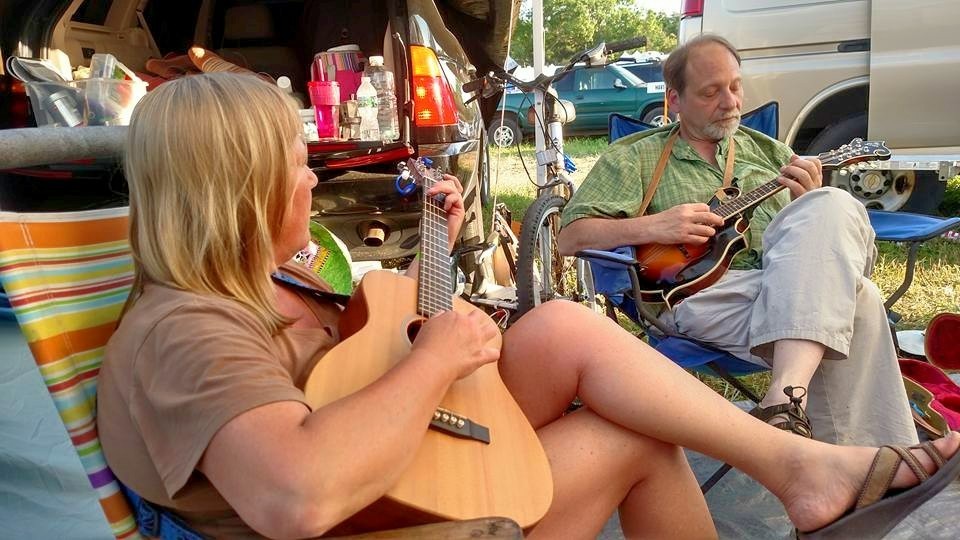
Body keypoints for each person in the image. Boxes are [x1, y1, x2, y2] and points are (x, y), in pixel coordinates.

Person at [97, 72, 960, 540]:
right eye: (295, 163)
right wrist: (438, 356)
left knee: (556, 329)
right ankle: (807, 470)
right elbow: (294, 498)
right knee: (633, 435)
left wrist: (438, 294)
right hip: (388, 522)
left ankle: (799, 464)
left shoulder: (278, 280)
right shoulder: (187, 327)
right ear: (242, 191)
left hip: (397, 480)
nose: (312, 178)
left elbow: (363, 367)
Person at [557, 33, 917, 448]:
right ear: (674, 100)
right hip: (699, 294)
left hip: (791, 286)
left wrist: (809, 201)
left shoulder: (771, 154)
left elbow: (822, 249)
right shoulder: (634, 156)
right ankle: (880, 461)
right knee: (860, 302)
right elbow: (571, 237)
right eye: (711, 92)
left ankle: (784, 400)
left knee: (831, 202)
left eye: (735, 86)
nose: (730, 102)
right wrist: (653, 226)